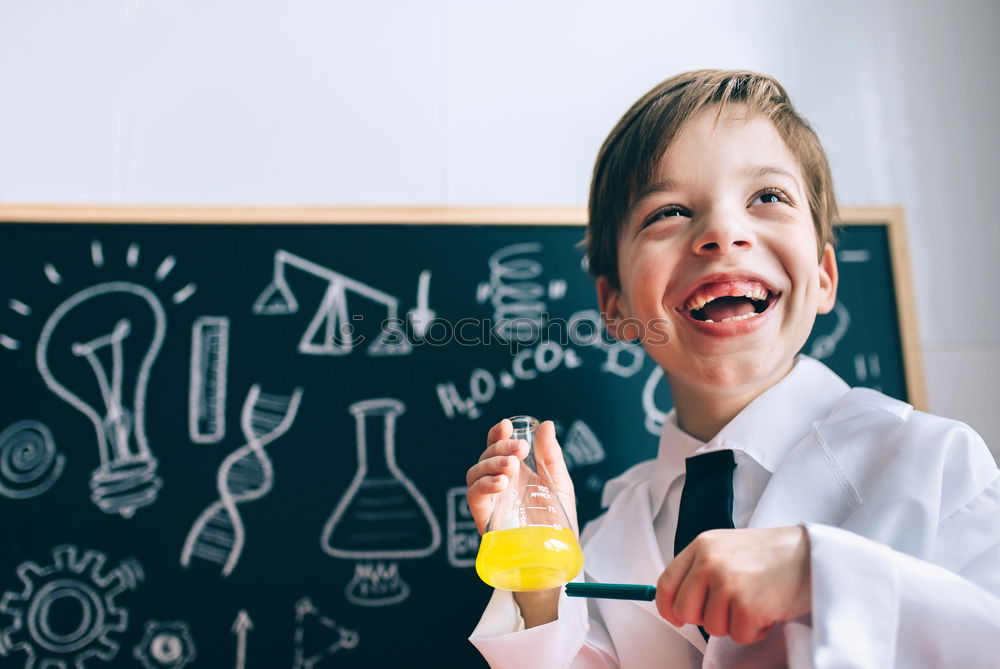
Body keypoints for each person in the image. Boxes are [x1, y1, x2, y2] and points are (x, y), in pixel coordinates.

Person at [464, 69, 1000, 667]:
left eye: (767, 198)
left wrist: (816, 575)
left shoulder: (933, 463)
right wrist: (540, 580)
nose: (722, 233)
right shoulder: (611, 532)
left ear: (823, 275)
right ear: (614, 307)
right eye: (667, 212)